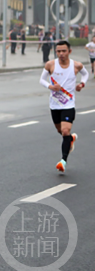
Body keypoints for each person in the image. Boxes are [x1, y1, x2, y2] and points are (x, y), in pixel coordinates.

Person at [40, 40, 88, 173]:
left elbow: (85, 74)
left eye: (64, 51)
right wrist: (50, 86)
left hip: (69, 104)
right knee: (60, 131)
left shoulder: (76, 65)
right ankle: (71, 139)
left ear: (69, 51)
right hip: (54, 105)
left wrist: (81, 84)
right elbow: (41, 80)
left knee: (65, 131)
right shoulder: (50, 64)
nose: (61, 54)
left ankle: (63, 161)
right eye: (58, 51)